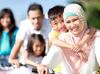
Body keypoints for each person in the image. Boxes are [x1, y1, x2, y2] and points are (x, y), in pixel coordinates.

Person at [37, 4, 100, 74]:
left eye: (75, 20)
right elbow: (54, 51)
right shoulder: (62, 37)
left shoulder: (96, 36)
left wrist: (81, 43)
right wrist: (44, 64)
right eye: (68, 22)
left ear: (82, 18)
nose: (72, 25)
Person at [9, 3, 50, 68]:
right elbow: (18, 43)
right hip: (29, 59)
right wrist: (12, 58)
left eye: (38, 18)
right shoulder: (24, 25)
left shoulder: (49, 24)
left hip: (45, 58)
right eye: (33, 18)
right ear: (28, 18)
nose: (36, 21)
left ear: (43, 16)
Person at [0, 8, 18, 74]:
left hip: (12, 59)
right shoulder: (0, 32)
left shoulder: (17, 31)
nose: (5, 20)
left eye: (8, 17)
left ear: (12, 19)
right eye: (2, 18)